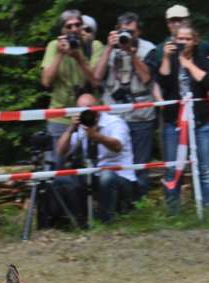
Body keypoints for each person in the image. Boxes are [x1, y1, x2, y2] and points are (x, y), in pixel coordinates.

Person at [93, 12, 157, 198]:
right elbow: (96, 78)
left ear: (139, 32)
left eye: (131, 32)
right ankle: (115, 203)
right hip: (114, 115)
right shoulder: (109, 48)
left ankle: (139, 205)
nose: (126, 35)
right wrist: (108, 49)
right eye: (122, 31)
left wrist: (131, 52)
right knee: (111, 162)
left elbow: (146, 77)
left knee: (140, 164)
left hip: (140, 114)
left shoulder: (149, 49)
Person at [157, 23, 209, 214]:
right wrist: (166, 57)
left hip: (199, 122)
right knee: (173, 168)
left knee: (205, 167)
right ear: (174, 40)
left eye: (188, 39)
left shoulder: (201, 60)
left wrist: (188, 64)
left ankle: (206, 210)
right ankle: (173, 211)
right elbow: (163, 82)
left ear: (195, 41)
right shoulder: (170, 60)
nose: (184, 42)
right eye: (180, 39)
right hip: (173, 121)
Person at [56, 93, 138, 224]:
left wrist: (97, 136)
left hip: (121, 177)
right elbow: (60, 150)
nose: (86, 111)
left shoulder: (115, 123)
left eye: (89, 107)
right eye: (81, 109)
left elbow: (117, 146)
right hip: (94, 175)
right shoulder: (82, 127)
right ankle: (80, 220)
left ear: (99, 106)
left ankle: (106, 220)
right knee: (65, 179)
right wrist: (71, 128)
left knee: (106, 175)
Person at [40, 9, 103, 165]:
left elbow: (96, 82)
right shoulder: (54, 46)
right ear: (62, 30)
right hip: (60, 114)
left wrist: (79, 57)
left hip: (88, 115)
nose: (74, 29)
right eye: (69, 26)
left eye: (77, 25)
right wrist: (60, 54)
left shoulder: (93, 46)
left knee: (89, 166)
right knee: (59, 164)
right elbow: (46, 82)